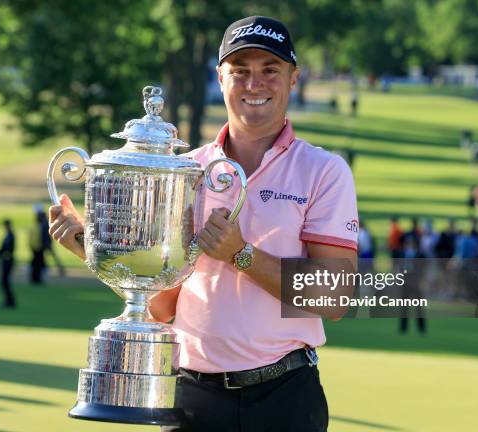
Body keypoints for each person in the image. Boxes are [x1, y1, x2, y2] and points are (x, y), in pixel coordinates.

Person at [49, 16, 358, 432]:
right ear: (221, 77)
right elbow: (163, 304)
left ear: (293, 78)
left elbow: (334, 298)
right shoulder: (183, 170)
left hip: (282, 394)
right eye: (240, 71)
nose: (255, 84)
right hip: (190, 396)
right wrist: (92, 248)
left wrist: (241, 255)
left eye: (270, 70)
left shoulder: (323, 170)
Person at [0, 219, 16, 308]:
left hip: (8, 261)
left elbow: (8, 249)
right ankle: (9, 300)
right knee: (4, 282)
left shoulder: (11, 235)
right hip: (5, 260)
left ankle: (10, 301)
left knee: (5, 281)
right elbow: (3, 248)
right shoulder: (8, 235)